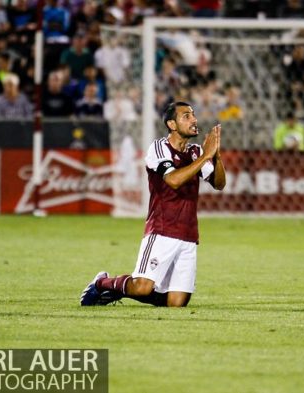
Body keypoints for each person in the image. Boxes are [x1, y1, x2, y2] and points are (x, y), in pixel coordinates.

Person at [80, 101, 226, 307]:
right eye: (186, 116)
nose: (194, 119)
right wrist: (206, 157)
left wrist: (216, 156)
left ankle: (116, 290)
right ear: (172, 124)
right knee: (142, 287)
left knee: (177, 303)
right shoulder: (159, 149)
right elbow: (173, 180)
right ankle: (102, 284)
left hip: (189, 234)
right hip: (162, 231)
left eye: (193, 115)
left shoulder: (195, 152)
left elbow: (219, 184)